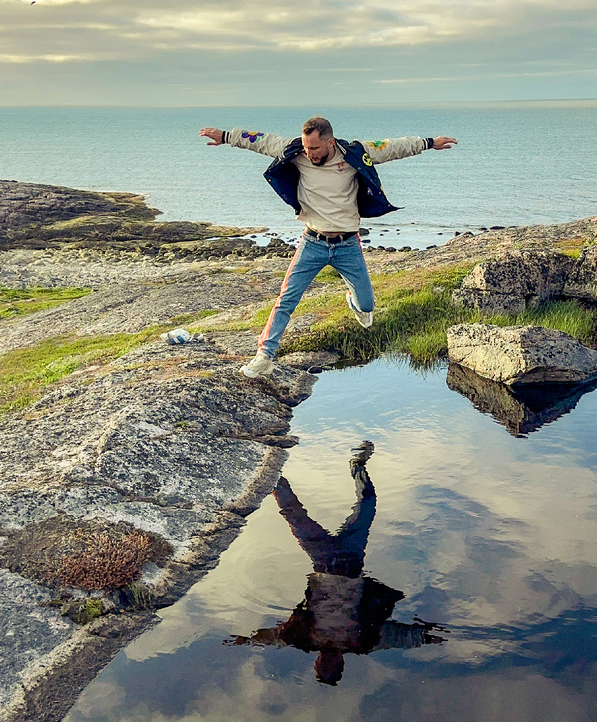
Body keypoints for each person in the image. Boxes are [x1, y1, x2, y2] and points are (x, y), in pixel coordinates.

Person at [195, 115, 457, 378]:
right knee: (286, 300)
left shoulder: (355, 153)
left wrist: (430, 142)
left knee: (367, 306)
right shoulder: (294, 149)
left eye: (315, 148)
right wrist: (227, 136)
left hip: (347, 245)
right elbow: (260, 140)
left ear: (330, 142)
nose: (309, 153)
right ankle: (264, 355)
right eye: (306, 147)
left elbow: (393, 147)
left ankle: (356, 304)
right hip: (312, 242)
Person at [227, 443, 444, 685]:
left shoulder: (305, 638)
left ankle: (269, 470)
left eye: (322, 665)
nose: (326, 661)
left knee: (293, 514)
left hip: (322, 559)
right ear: (341, 663)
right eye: (331, 666)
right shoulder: (360, 640)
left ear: (317, 662)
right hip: (352, 558)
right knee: (368, 504)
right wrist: (424, 637)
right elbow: (395, 637)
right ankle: (357, 466)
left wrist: (248, 640)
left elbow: (276, 638)